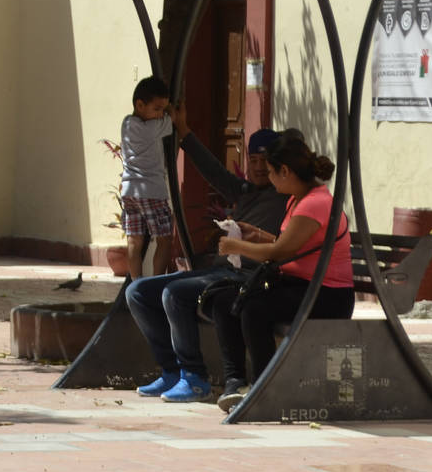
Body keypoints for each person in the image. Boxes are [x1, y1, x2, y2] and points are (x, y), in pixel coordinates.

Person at [125, 104, 287, 405]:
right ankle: (171, 371)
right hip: (218, 271)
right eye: (253, 160)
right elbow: (213, 170)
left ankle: (194, 377)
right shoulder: (244, 191)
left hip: (245, 276)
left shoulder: (286, 195)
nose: (259, 167)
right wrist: (184, 131)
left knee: (175, 294)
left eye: (266, 161)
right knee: (137, 292)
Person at [208, 130, 354, 412]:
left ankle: (265, 388)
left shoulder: (315, 203)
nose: (269, 178)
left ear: (285, 171)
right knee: (224, 301)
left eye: (272, 172)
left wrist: (235, 246)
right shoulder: (297, 199)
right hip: (299, 286)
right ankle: (235, 382)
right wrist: (257, 234)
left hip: (327, 295)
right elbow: (287, 243)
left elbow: (280, 252)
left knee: (254, 309)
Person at [119, 76, 175, 281]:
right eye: (157, 109)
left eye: (162, 110)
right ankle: (155, 283)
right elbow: (173, 118)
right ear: (140, 105)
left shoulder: (127, 124)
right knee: (164, 239)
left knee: (134, 241)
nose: (161, 114)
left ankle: (136, 284)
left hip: (129, 192)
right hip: (151, 191)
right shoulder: (152, 128)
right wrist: (172, 110)